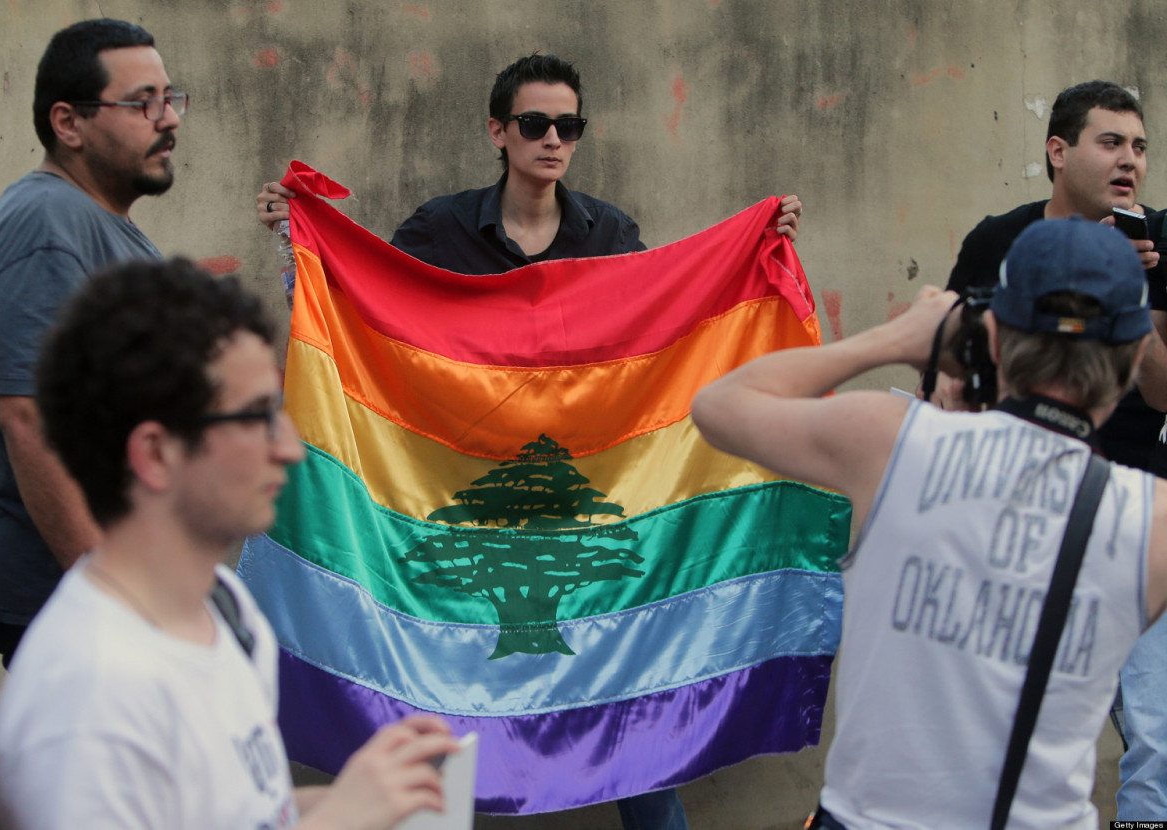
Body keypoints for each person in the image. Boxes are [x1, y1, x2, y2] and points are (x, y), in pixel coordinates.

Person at [255, 53, 800, 830]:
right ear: (498, 132)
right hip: (460, 504)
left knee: (631, 728)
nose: (553, 140)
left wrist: (758, 245)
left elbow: (662, 343)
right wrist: (297, 243)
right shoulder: (440, 230)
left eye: (568, 126)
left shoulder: (610, 233)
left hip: (581, 510)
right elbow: (363, 323)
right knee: (443, 712)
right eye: (536, 124)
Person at [693, 217, 1166, 828]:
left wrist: (895, 339)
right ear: (1132, 358)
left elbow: (718, 406)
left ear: (993, 338)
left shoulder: (895, 445)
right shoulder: (1150, 519)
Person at [0, 258, 460, 830]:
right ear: (157, 454)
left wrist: (371, 792)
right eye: (259, 417)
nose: (289, 447)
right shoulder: (86, 697)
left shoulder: (225, 607)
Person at [0, 18, 182, 667]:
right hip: (72, 600)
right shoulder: (48, 224)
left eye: (170, 98)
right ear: (69, 123)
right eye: (142, 101)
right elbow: (29, 419)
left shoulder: (99, 224)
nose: (168, 118)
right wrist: (108, 595)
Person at [942, 80, 1167, 467]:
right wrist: (945, 381)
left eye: (1139, 147)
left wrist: (1120, 283)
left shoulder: (1159, 241)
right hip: (1007, 475)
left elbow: (1162, 394)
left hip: (1127, 492)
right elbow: (944, 358)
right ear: (1059, 152)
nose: (1130, 160)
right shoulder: (997, 239)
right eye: (1111, 143)